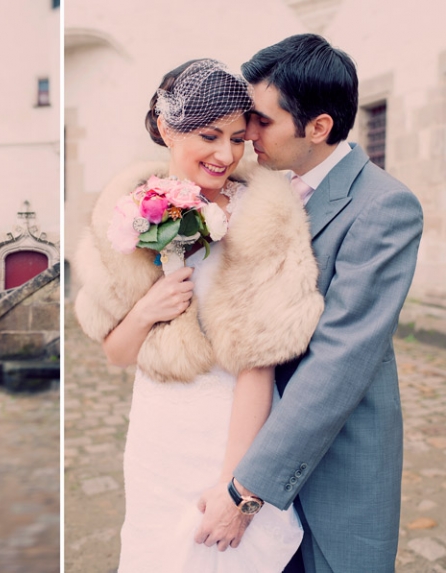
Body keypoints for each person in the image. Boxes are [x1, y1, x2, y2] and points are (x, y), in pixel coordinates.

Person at [74, 59, 325, 572]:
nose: (225, 154)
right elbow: (116, 353)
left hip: (229, 433)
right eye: (210, 136)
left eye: (237, 138)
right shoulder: (128, 211)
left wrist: (235, 487)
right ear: (167, 129)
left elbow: (259, 362)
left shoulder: (263, 216)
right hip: (156, 435)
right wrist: (146, 310)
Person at [194, 34, 424, 573]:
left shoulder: (383, 206)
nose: (246, 135)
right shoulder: (260, 188)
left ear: (318, 127)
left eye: (262, 121)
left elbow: (340, 361)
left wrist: (245, 490)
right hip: (250, 439)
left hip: (334, 462)